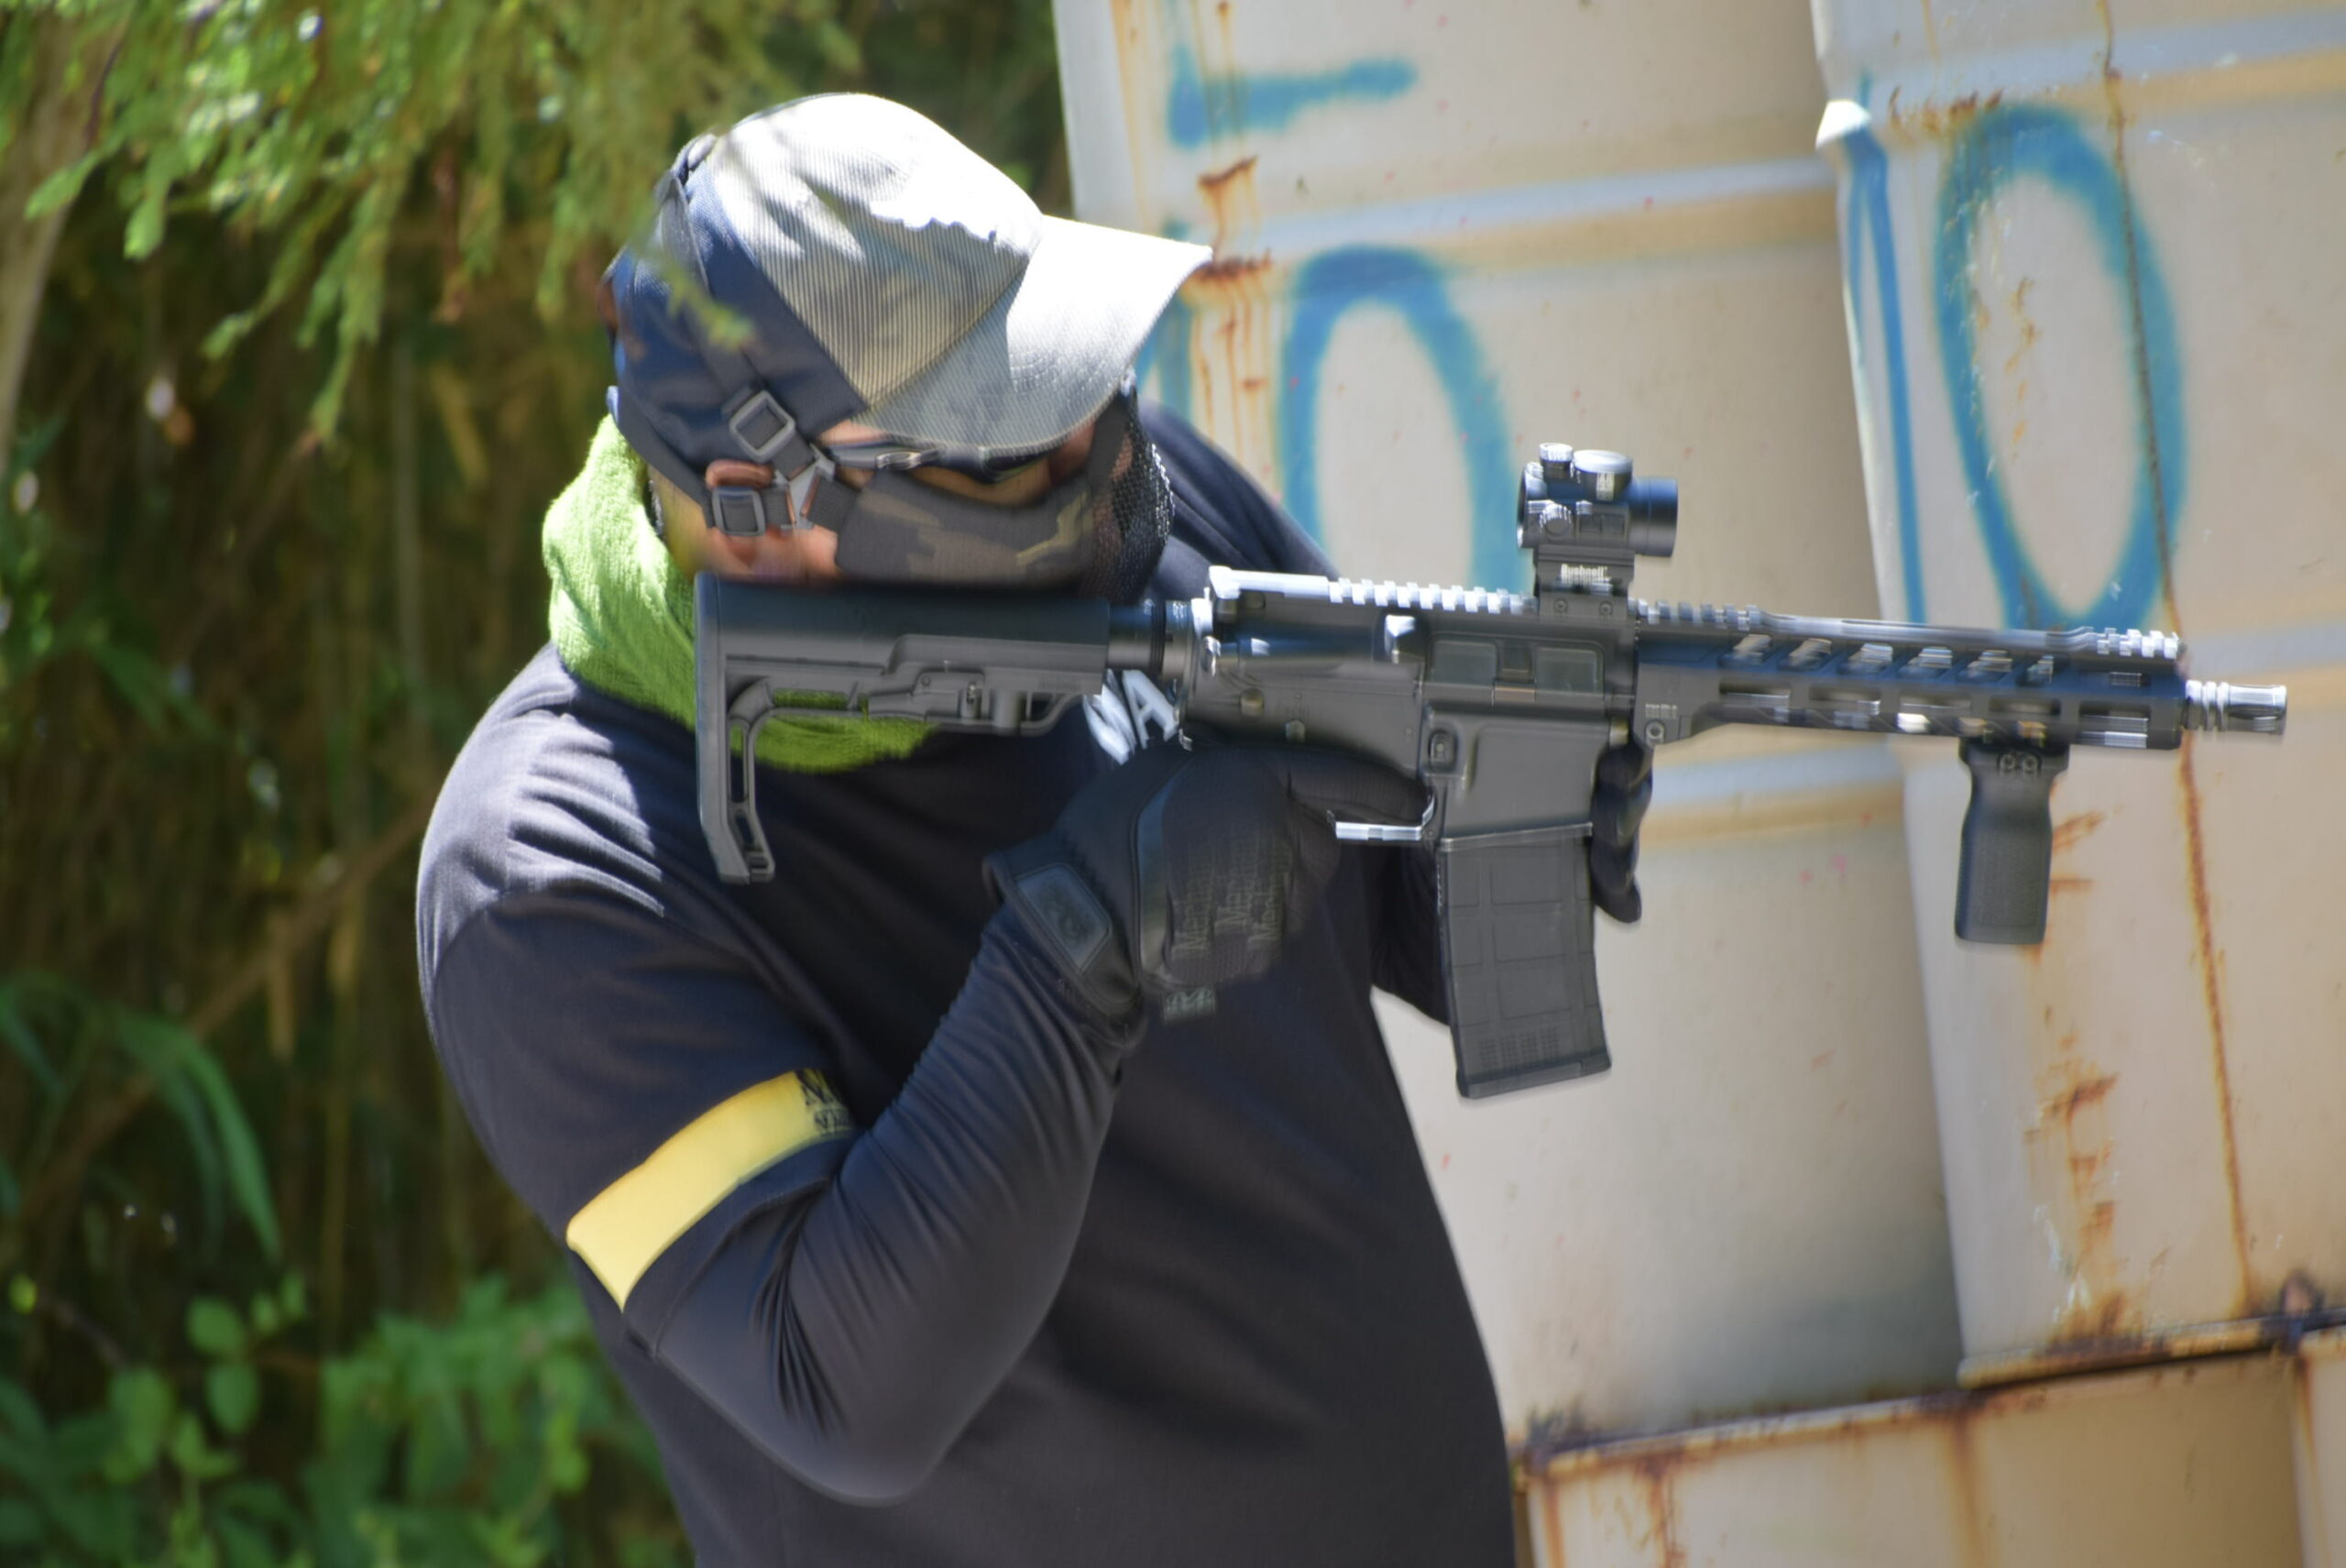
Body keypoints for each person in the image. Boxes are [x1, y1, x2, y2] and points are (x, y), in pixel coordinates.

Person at [416, 93, 1646, 1566]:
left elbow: (1418, 929)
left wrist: (1529, 795)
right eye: (999, 439)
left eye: (1068, 390)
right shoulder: (555, 867)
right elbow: (842, 1388)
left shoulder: (1141, 517)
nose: (1086, 455)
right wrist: (1087, 941)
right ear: (759, 508)